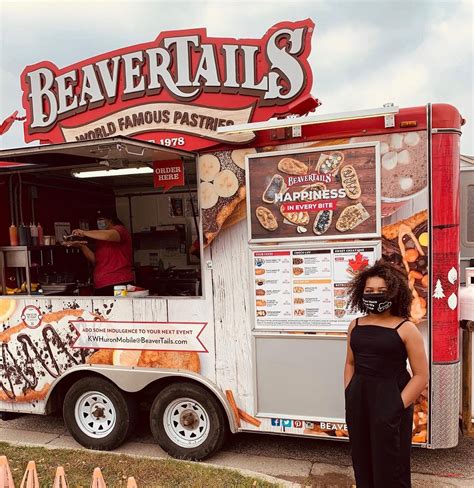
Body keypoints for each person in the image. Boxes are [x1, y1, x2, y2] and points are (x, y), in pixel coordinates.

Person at [344, 260, 429, 488]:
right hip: (359, 401)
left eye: (382, 291)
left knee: (391, 465)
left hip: (391, 401)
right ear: (361, 293)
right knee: (362, 460)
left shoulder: (406, 328)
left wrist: (395, 405)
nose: (375, 296)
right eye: (369, 291)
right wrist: (349, 392)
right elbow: (350, 362)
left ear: (394, 292)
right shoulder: (356, 325)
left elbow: (421, 375)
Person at [71, 210, 134, 296]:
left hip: (119, 283)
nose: (99, 222)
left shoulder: (120, 230)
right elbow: (95, 260)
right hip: (101, 284)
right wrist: (81, 246)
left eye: (101, 219)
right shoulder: (100, 239)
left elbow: (107, 235)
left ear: (110, 220)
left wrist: (84, 232)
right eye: (97, 220)